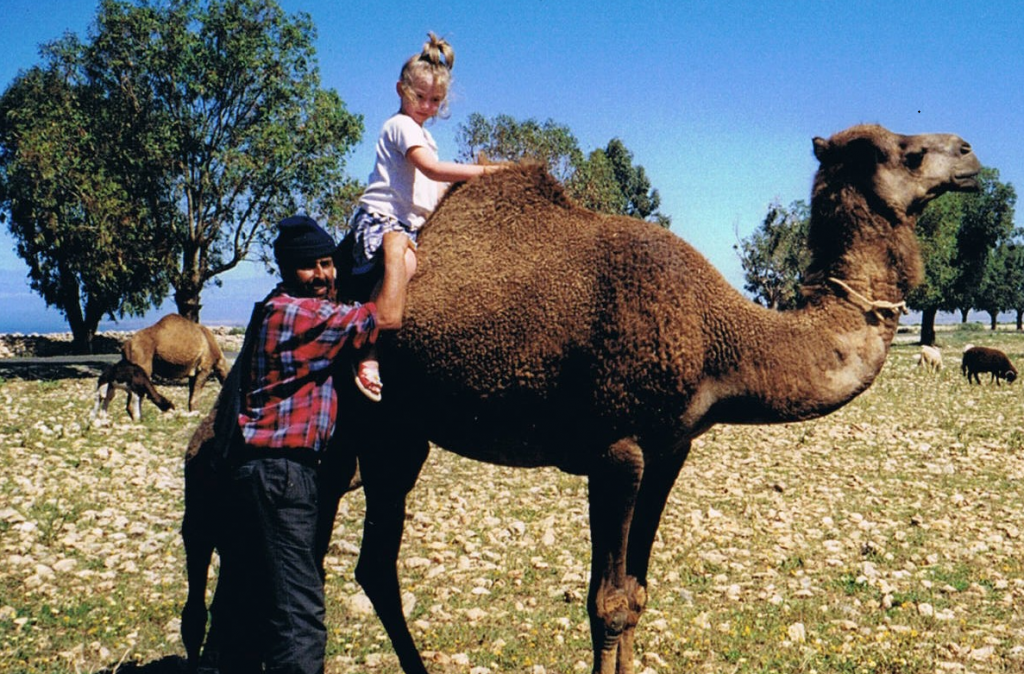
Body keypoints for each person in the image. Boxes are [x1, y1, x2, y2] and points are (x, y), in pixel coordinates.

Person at [208, 214, 377, 674]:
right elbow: (385, 317)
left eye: (328, 264)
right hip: (283, 477)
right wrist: (398, 252)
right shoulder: (297, 314)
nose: (322, 275)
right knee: (300, 616)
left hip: (253, 474)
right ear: (287, 269)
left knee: (250, 597)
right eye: (310, 267)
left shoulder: (270, 308)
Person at [348, 32, 503, 401]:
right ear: (401, 89)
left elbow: (430, 193)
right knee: (403, 263)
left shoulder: (424, 135)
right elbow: (431, 171)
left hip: (409, 225)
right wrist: (488, 173)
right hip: (381, 221)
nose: (427, 106)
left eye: (436, 100)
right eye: (420, 97)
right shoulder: (400, 127)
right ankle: (365, 344)